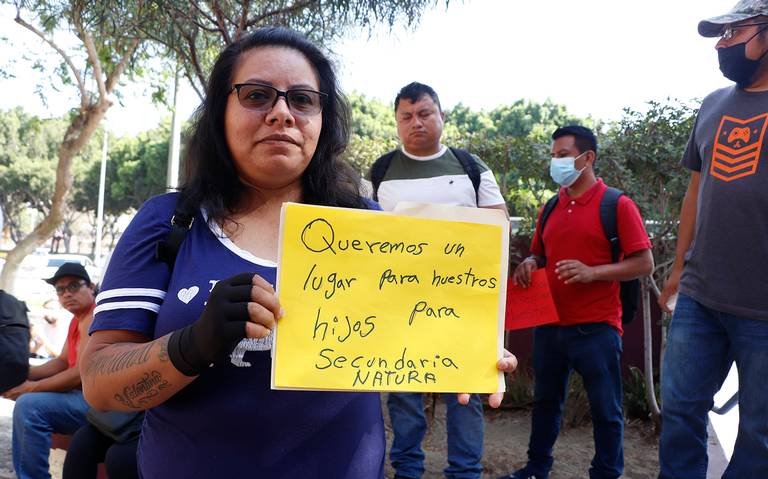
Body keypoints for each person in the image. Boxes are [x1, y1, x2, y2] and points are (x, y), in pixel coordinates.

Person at [79, 28, 516, 479]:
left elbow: (422, 328)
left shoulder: (374, 227)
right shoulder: (168, 222)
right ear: (220, 113)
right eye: (256, 95)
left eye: (303, 99)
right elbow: (98, 383)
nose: (282, 113)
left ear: (323, 119)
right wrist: (193, 344)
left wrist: (469, 350)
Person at [369, 81, 509, 479]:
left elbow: (498, 226)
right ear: (397, 123)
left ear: (441, 117)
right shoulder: (380, 172)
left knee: (465, 394)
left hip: (463, 307)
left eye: (425, 113)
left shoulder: (471, 167)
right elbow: (361, 235)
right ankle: (407, 470)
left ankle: (465, 472)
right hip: (399, 308)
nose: (417, 122)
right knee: (404, 393)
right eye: (407, 116)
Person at [499, 126, 653, 479]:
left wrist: (593, 272)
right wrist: (529, 263)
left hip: (596, 328)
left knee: (606, 409)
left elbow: (644, 263)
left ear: (588, 158)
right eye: (554, 156)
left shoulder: (617, 204)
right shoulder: (552, 205)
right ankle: (537, 468)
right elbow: (539, 254)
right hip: (550, 325)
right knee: (545, 405)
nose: (557, 162)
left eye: (563, 155)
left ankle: (606, 473)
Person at [657, 2, 768, 477]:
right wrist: (680, 269)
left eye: (733, 33)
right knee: (680, 413)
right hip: (700, 296)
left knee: (760, 434)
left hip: (763, 309)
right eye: (719, 37)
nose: (722, 45)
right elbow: (695, 191)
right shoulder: (712, 104)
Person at [2, 262, 96, 479]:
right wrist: (19, 375)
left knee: (29, 406)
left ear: (90, 287)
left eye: (74, 286)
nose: (66, 294)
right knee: (27, 401)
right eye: (60, 290)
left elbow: (79, 374)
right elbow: (63, 361)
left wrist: (30, 389)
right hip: (82, 396)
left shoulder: (94, 316)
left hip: (98, 402)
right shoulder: (77, 319)